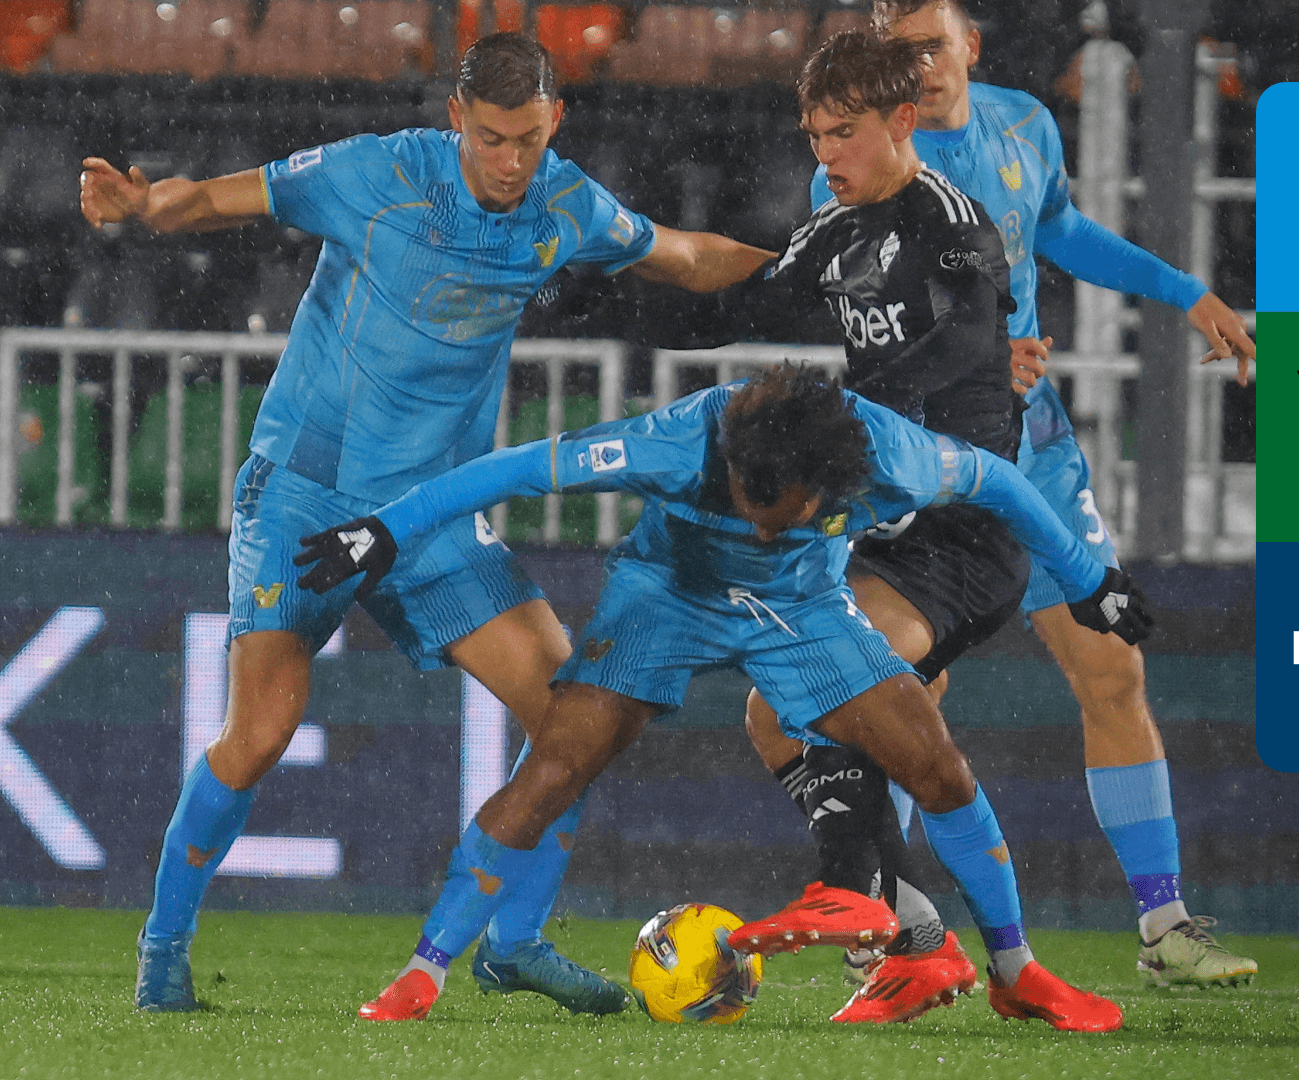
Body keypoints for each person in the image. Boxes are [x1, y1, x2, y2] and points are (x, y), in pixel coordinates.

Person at [77, 32, 777, 1014]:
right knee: (262, 731)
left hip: (433, 512)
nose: (510, 162)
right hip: (306, 491)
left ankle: (513, 943)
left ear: (555, 122)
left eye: (527, 139)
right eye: (491, 138)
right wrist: (147, 205)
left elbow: (689, 257)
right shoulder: (378, 174)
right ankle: (163, 951)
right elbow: (216, 199)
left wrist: (806, 268)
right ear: (456, 119)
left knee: (574, 716)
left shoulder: (567, 202)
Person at [300, 364, 1148, 1031]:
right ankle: (424, 971)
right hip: (667, 595)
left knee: (940, 768)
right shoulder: (675, 442)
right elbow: (518, 468)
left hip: (802, 608)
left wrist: (1090, 579)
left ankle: (1015, 971)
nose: (765, 527)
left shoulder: (895, 456)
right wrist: (383, 529)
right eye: (753, 507)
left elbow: (1002, 481)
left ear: (831, 484)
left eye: (785, 514)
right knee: (556, 765)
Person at [800, 0, 1258, 989]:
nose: (917, 67)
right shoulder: (859, 167)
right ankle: (884, 926)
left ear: (970, 45)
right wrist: (967, 362)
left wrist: (1186, 292)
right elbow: (867, 337)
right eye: (897, 53)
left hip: (1033, 455)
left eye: (931, 45)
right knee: (902, 695)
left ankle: (1165, 925)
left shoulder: (1023, 126)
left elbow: (1059, 229)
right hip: (926, 465)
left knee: (1113, 670)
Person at [646, 29, 1084, 1024]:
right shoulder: (837, 230)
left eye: (843, 132)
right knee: (779, 715)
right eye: (814, 137)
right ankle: (928, 945)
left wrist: (841, 412)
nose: (826, 154)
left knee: (830, 677)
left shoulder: (954, 226)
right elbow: (754, 295)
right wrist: (635, 273)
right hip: (891, 529)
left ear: (901, 122)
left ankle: (868, 902)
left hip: (967, 533)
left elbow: (959, 348)